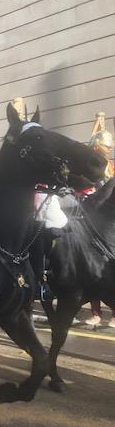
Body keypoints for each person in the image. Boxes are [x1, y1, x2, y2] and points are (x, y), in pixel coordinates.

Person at [83, 112, 115, 328]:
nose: (107, 150)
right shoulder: (86, 165)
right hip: (90, 218)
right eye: (105, 146)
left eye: (109, 147)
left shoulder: (111, 167)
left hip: (109, 220)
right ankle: (96, 312)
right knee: (91, 268)